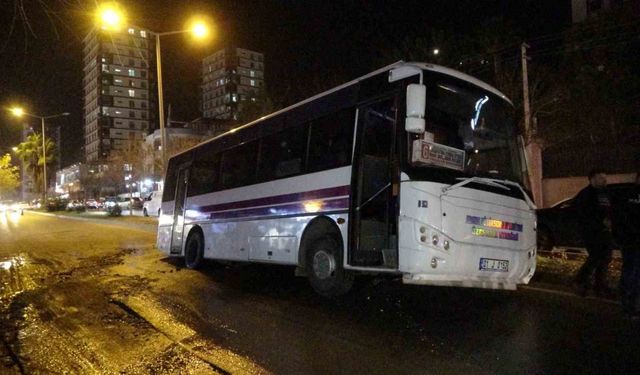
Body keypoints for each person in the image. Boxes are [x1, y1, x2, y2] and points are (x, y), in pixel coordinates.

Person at [574, 169, 613, 297]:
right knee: (595, 257)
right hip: (591, 232)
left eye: (605, 177)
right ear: (592, 179)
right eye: (601, 178)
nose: (605, 180)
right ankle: (580, 281)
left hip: (605, 232)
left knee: (605, 258)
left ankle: (599, 285)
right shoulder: (586, 195)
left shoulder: (605, 194)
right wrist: (601, 221)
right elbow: (583, 215)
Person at [613, 172, 640, 316]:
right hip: (631, 241)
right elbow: (620, 218)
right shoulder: (628, 195)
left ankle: (634, 304)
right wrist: (621, 237)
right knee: (630, 272)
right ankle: (625, 303)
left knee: (637, 275)